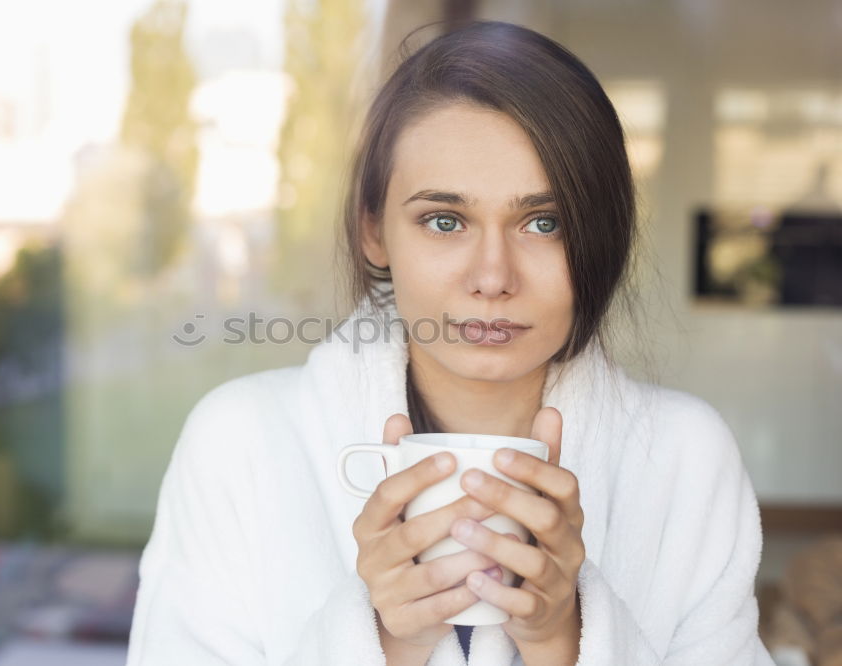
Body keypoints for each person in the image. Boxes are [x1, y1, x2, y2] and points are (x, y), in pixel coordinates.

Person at [126, 20, 775, 665]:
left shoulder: (686, 458)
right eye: (444, 221)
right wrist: (385, 642)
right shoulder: (241, 443)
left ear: (601, 236)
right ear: (374, 232)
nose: (492, 277)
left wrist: (563, 640)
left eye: (543, 223)